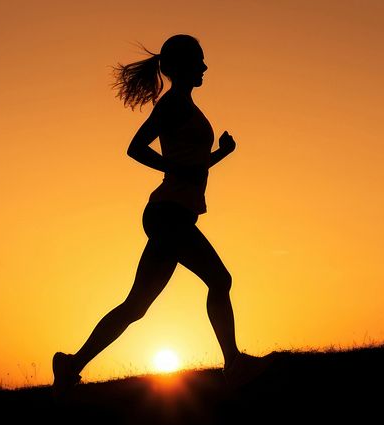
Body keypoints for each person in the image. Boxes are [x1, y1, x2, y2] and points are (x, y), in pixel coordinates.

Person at [52, 34, 271, 396]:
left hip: (172, 214)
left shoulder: (184, 105)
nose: (204, 66)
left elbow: (192, 169)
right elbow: (136, 148)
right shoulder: (173, 105)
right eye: (199, 60)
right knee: (220, 280)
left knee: (137, 305)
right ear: (183, 66)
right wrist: (175, 167)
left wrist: (220, 155)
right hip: (169, 214)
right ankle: (233, 364)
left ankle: (71, 365)